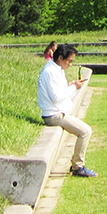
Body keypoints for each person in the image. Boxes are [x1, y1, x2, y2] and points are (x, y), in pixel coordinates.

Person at [37, 43, 97, 178]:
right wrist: (74, 87)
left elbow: (61, 94)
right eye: (69, 61)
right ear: (60, 58)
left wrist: (72, 87)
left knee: (85, 131)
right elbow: (56, 98)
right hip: (54, 115)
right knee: (86, 131)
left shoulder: (57, 70)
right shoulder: (50, 72)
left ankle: (77, 166)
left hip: (58, 112)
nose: (70, 64)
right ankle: (78, 166)